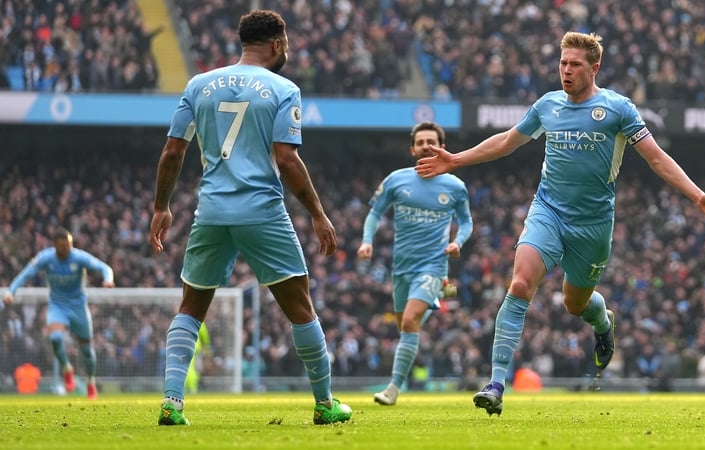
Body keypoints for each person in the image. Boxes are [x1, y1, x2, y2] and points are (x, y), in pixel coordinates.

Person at [415, 31, 705, 416]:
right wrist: (456, 159)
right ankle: (496, 383)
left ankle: (603, 323)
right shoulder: (547, 105)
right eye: (563, 63)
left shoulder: (618, 109)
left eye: (575, 65)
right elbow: (507, 141)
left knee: (575, 303)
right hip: (548, 210)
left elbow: (656, 158)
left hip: (594, 224)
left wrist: (696, 195)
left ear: (594, 68)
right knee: (519, 284)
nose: (566, 71)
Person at [149, 9, 351, 426]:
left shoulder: (199, 84)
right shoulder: (283, 88)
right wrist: (317, 212)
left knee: (191, 306)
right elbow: (287, 158)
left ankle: (172, 402)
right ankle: (325, 404)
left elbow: (172, 151)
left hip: (212, 211)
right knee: (300, 307)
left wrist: (161, 207)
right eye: (287, 45)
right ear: (277, 44)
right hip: (261, 210)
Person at [358, 121, 474, 405]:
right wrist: (367, 239)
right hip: (402, 268)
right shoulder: (396, 180)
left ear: (441, 147)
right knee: (406, 328)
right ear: (412, 149)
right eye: (420, 142)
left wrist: (458, 242)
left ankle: (392, 390)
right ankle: (438, 297)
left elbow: (467, 222)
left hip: (433, 265)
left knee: (410, 320)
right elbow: (375, 213)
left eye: (430, 141)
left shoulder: (455, 186)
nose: (425, 146)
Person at [3, 228, 115, 400]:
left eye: (69, 245)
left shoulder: (78, 257)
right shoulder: (46, 258)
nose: (67, 248)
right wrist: (11, 291)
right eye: (63, 246)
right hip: (58, 306)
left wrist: (108, 279)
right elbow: (25, 274)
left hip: (78, 307)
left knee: (86, 350)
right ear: (55, 246)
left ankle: (91, 382)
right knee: (55, 338)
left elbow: (104, 267)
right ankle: (66, 368)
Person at [184, 322, 210, 395]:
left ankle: (185, 388)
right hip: (194, 347)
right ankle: (192, 389)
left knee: (186, 367)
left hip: (183, 346)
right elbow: (205, 335)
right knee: (192, 369)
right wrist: (207, 346)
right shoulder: (199, 320)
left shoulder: (183, 319)